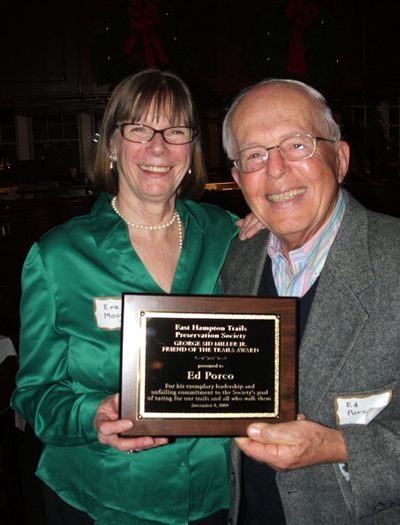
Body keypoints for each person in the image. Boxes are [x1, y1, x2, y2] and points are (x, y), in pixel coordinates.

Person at [10, 69, 260, 525]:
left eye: (176, 131)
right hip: (102, 499)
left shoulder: (229, 234)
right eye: (139, 129)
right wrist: (91, 413)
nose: (158, 147)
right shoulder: (56, 257)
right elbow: (33, 394)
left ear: (192, 148)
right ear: (111, 143)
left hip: (218, 495)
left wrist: (276, 232)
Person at [220, 78, 400, 524]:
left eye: (296, 145)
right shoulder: (238, 259)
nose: (275, 169)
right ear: (240, 179)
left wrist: (336, 447)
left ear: (339, 160)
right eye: (255, 155)